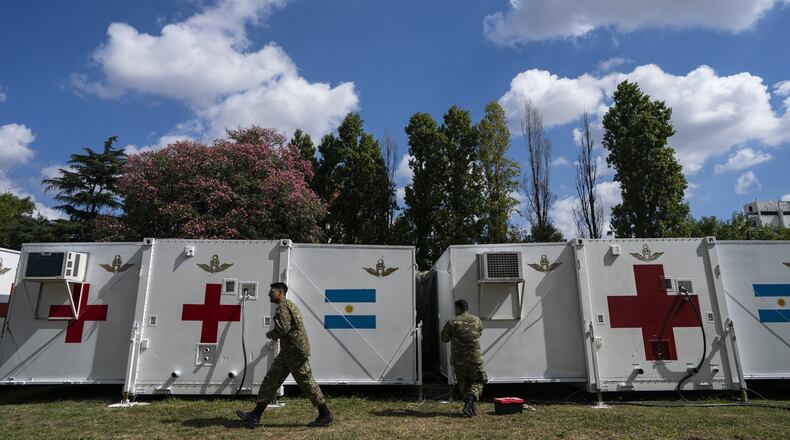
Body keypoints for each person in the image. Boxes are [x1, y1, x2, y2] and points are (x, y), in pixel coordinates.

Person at [235, 282, 333, 428]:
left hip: (294, 353)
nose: (269, 294)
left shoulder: (283, 307)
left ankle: (325, 414)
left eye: (272, 292)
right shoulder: (289, 305)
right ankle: (255, 415)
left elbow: (283, 328)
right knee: (272, 380)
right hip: (290, 352)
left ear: (281, 292)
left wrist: (271, 334)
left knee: (306, 382)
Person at [440, 299, 487, 417]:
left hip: (459, 360)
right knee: (479, 380)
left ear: (458, 309)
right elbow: (479, 333)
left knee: (464, 383)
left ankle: (469, 407)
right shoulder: (476, 320)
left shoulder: (452, 322)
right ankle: (470, 404)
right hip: (474, 359)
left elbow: (444, 339)